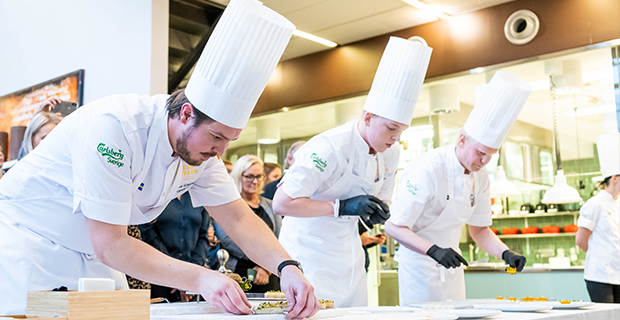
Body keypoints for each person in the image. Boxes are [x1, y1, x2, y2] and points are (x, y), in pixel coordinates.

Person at [0, 1, 319, 318]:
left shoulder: (201, 152)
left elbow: (237, 217)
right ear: (185, 113)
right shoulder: (115, 127)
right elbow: (110, 243)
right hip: (30, 242)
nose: (220, 153)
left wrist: (287, 266)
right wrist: (201, 277)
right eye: (217, 137)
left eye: (229, 140)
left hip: (93, 255)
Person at [273, 37, 432, 307]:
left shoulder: (391, 151)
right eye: (391, 128)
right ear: (368, 118)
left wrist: (377, 210)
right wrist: (342, 206)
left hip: (349, 251)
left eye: (402, 130)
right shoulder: (328, 148)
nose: (396, 138)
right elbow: (282, 203)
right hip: (307, 251)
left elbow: (382, 198)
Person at [385, 71, 531, 304]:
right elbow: (394, 227)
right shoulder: (427, 169)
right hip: (419, 270)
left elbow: (479, 231)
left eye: (490, 155)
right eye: (481, 153)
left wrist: (505, 253)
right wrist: (433, 250)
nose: (484, 161)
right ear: (462, 140)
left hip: (452, 267)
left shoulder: (481, 177)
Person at [214, 155, 282, 292]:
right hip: (238, 272)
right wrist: (263, 260)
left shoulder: (270, 205)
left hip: (268, 272)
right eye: (249, 176)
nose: (255, 181)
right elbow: (228, 240)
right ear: (239, 176)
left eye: (259, 176)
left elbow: (279, 237)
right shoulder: (227, 205)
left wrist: (265, 267)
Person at [139, 191, 211, 302]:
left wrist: (191, 274)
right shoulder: (154, 195)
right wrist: (175, 273)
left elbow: (203, 236)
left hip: (193, 280)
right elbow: (148, 233)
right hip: (160, 274)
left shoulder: (198, 195)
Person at [576, 132, 620, 303]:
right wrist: (600, 255)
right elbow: (581, 240)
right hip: (599, 276)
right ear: (615, 178)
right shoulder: (594, 204)